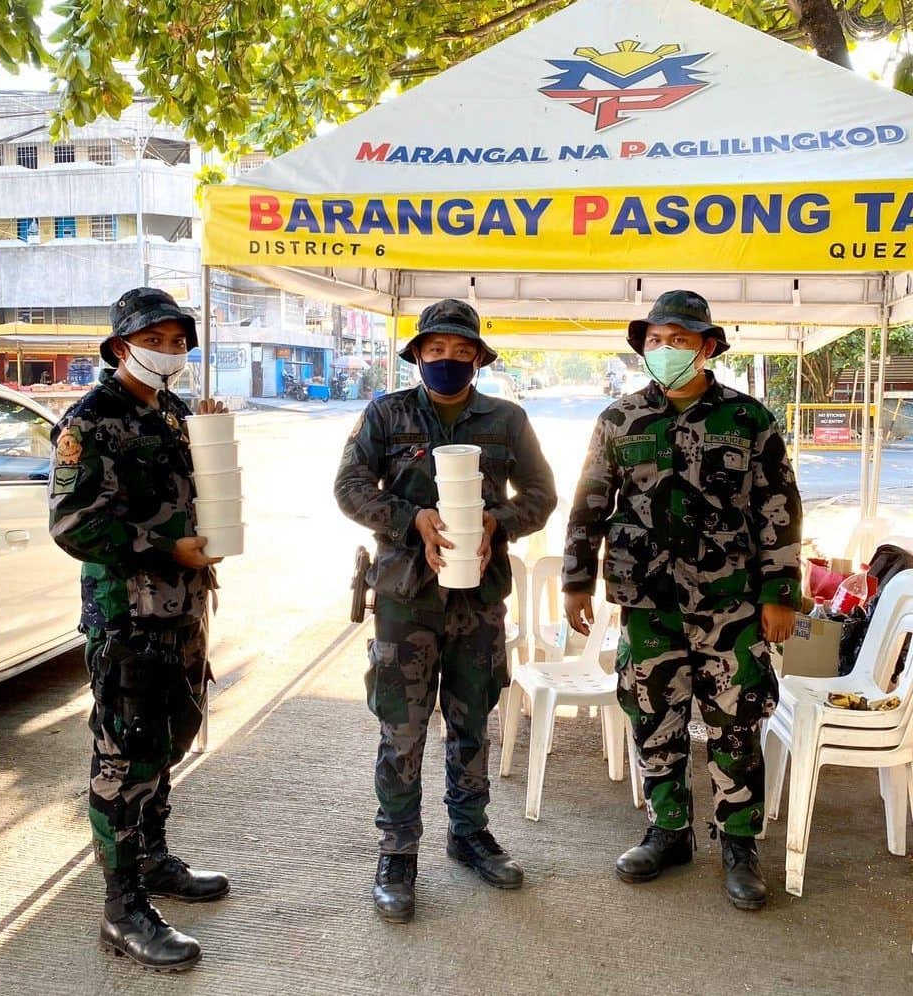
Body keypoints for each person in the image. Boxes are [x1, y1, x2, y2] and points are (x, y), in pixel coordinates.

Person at [562, 290, 802, 910]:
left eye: (681, 339)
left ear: (710, 347)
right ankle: (668, 831)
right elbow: (590, 502)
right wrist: (575, 579)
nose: (666, 350)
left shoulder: (749, 421)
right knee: (654, 717)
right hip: (647, 603)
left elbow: (778, 510)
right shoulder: (619, 420)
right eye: (657, 339)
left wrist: (781, 595)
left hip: (732, 604)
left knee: (736, 721)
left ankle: (740, 844)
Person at [335, 298, 556, 923]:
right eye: (436, 351)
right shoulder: (386, 415)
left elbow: (541, 496)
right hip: (406, 599)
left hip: (478, 599)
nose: (449, 361)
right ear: (418, 356)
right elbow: (349, 488)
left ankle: (469, 834)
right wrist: (411, 520)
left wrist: (498, 521)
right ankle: (397, 852)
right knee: (401, 730)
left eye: (462, 352)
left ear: (479, 359)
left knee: (471, 723)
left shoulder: (507, 420)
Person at [49, 288, 228, 971]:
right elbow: (72, 523)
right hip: (129, 615)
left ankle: (153, 860)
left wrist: (212, 440)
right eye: (157, 338)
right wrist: (163, 547)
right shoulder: (90, 422)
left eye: (180, 339)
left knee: (171, 735)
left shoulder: (176, 412)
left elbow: (197, 495)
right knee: (124, 756)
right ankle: (122, 910)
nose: (171, 350)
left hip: (184, 607)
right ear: (122, 345)